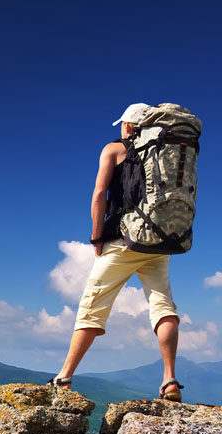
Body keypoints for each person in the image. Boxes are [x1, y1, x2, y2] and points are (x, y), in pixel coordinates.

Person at [49, 103, 183, 401]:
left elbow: (99, 195)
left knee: (92, 304)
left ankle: (64, 377)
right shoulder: (163, 154)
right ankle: (170, 380)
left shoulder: (114, 149)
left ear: (127, 126)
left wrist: (97, 237)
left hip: (124, 239)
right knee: (163, 305)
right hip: (159, 241)